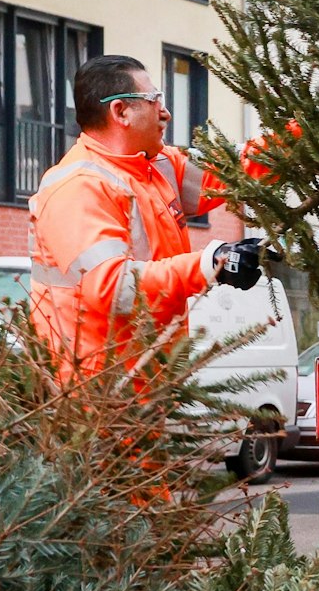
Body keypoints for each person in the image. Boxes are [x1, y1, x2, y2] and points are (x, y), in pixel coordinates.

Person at [28, 55, 267, 382]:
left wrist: (305, 132)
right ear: (120, 112)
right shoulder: (78, 187)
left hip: (148, 381)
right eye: (155, 100)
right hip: (97, 390)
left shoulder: (157, 166)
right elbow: (112, 287)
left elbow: (233, 169)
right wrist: (210, 263)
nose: (165, 112)